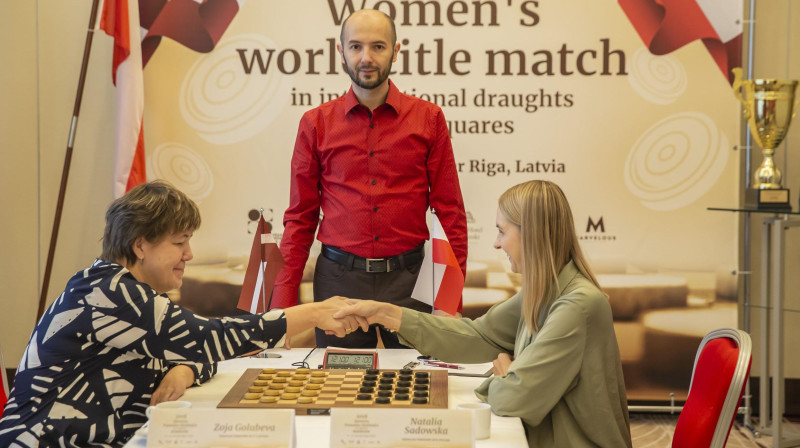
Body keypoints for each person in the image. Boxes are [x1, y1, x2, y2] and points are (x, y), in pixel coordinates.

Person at [0, 180, 359, 447]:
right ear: (140, 245)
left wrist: (183, 368)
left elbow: (192, 350)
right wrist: (312, 313)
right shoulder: (109, 292)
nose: (189, 254)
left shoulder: (127, 291)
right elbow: (208, 339)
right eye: (179, 242)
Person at [334, 180, 632, 448]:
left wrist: (509, 376)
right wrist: (386, 313)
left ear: (533, 234)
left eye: (502, 231)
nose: (496, 243)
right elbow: (477, 336)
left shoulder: (577, 306)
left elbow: (513, 398)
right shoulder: (544, 291)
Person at [272, 8, 468, 349]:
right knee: (338, 391)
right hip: (338, 282)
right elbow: (300, 219)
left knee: (417, 388)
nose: (366, 57)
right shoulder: (316, 123)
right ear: (341, 51)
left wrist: (449, 301)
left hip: (411, 282)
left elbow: (450, 215)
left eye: (378, 46)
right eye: (356, 46)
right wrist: (281, 308)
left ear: (396, 50)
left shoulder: (429, 119)